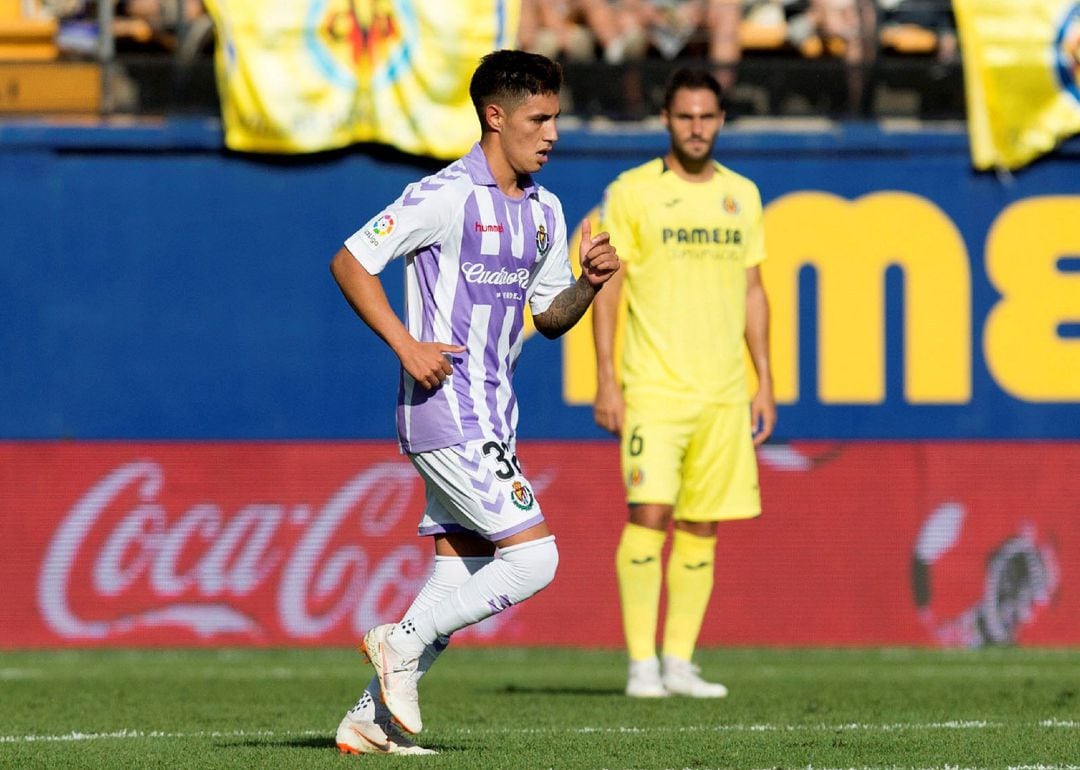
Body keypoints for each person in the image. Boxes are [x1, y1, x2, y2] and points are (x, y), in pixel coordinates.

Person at [328, 49, 620, 754]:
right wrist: (406, 344)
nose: (552, 133)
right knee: (535, 560)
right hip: (444, 406)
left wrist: (587, 283)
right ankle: (399, 643)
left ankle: (370, 722)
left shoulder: (546, 210)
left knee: (458, 573)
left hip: (493, 414)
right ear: (496, 116)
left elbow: (548, 316)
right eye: (538, 118)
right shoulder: (446, 195)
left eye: (556, 117)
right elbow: (350, 260)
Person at [591, 66, 775, 698]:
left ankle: (679, 661)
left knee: (702, 525)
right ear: (666, 120)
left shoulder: (743, 195)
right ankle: (641, 663)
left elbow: (753, 289)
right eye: (685, 116)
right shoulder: (633, 192)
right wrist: (606, 380)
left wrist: (765, 380)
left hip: (723, 392)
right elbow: (609, 286)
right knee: (649, 514)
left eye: (707, 116)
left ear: (721, 120)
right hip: (654, 388)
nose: (697, 127)